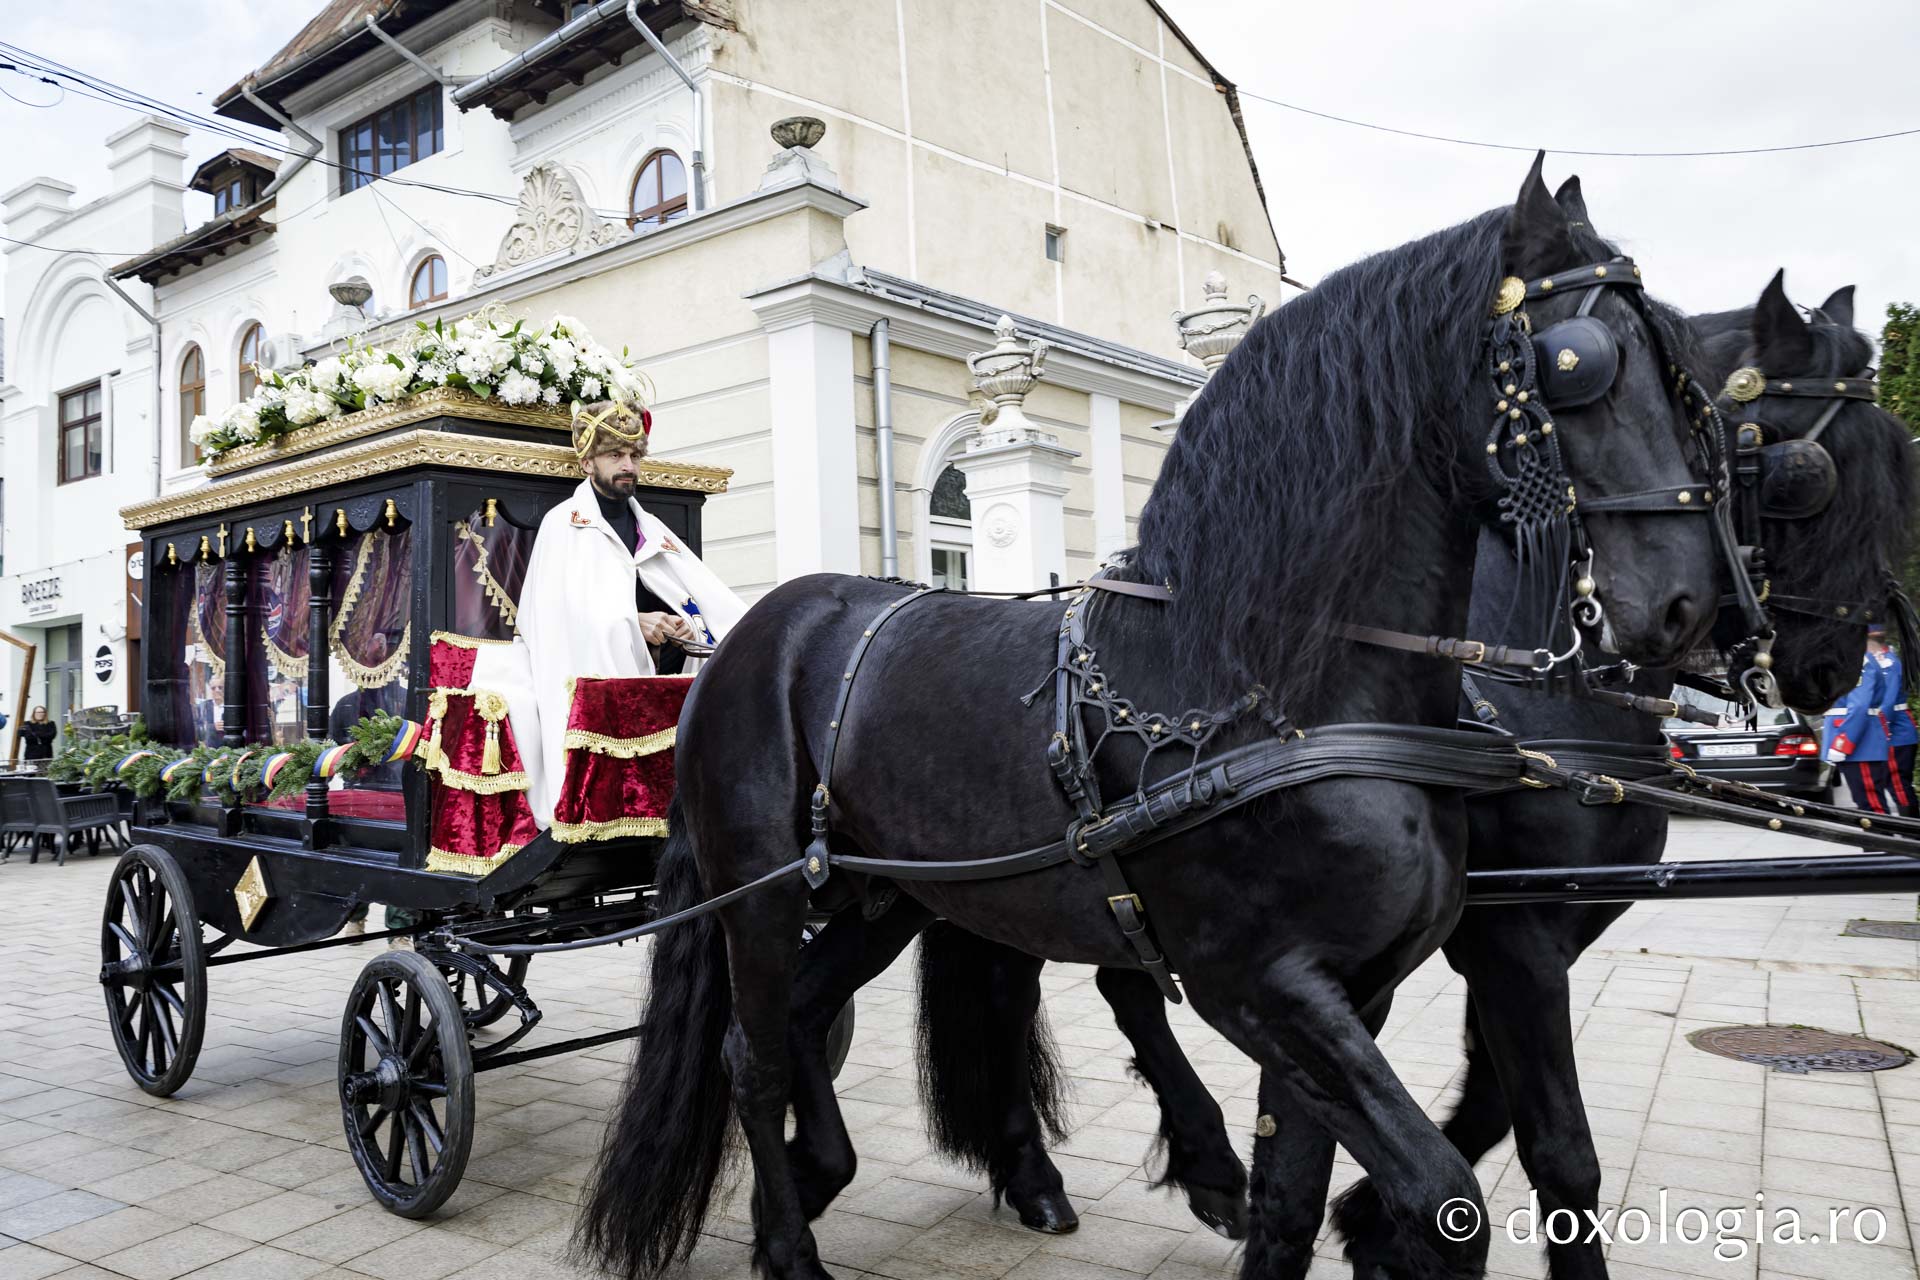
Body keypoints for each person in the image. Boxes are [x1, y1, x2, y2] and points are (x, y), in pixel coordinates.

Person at [515, 398, 746, 824]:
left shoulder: (651, 528)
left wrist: (686, 624)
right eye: (615, 455)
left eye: (634, 456)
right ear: (587, 462)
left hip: (653, 688)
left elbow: (699, 593)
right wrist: (633, 622)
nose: (628, 466)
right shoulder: (563, 524)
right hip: (596, 697)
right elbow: (552, 618)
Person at [1823, 647, 1913, 818]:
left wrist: (1843, 743)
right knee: (1866, 804)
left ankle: (1891, 842)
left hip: (1860, 744)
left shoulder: (1858, 661)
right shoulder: (1847, 659)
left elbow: (1859, 706)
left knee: (1873, 806)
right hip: (1856, 741)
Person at [1869, 623, 1917, 815]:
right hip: (1894, 732)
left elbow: (1887, 705)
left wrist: (1876, 732)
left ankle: (1912, 835)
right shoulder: (1881, 660)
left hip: (1895, 733)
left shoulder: (1887, 662)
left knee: (1898, 785)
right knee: (1895, 784)